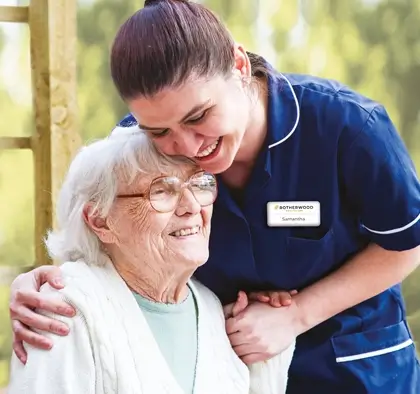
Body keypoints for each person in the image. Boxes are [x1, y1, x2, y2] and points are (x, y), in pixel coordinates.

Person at [8, 0, 420, 392]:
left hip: (358, 369)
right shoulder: (135, 142)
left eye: (199, 117)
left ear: (239, 65)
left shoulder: (347, 126)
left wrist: (297, 315)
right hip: (227, 368)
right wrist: (49, 282)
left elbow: (407, 243)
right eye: (160, 132)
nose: (187, 145)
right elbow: (111, 225)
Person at [7, 128, 296, 394]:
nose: (192, 206)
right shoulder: (65, 307)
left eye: (199, 184)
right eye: (161, 191)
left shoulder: (212, 309)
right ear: (100, 221)